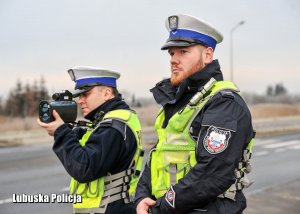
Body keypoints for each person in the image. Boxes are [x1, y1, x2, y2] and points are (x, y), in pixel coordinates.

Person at [134, 14, 255, 214]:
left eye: (183, 52)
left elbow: (211, 174)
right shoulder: (180, 102)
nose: (174, 60)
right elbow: (158, 155)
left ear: (207, 55)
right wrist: (141, 197)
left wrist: (160, 209)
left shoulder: (223, 104)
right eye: (172, 53)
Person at [37, 66, 144, 214]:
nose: (80, 101)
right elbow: (88, 143)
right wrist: (64, 131)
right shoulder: (105, 123)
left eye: (85, 94)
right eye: (79, 96)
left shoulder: (113, 127)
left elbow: (84, 168)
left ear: (106, 93)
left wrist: (61, 133)